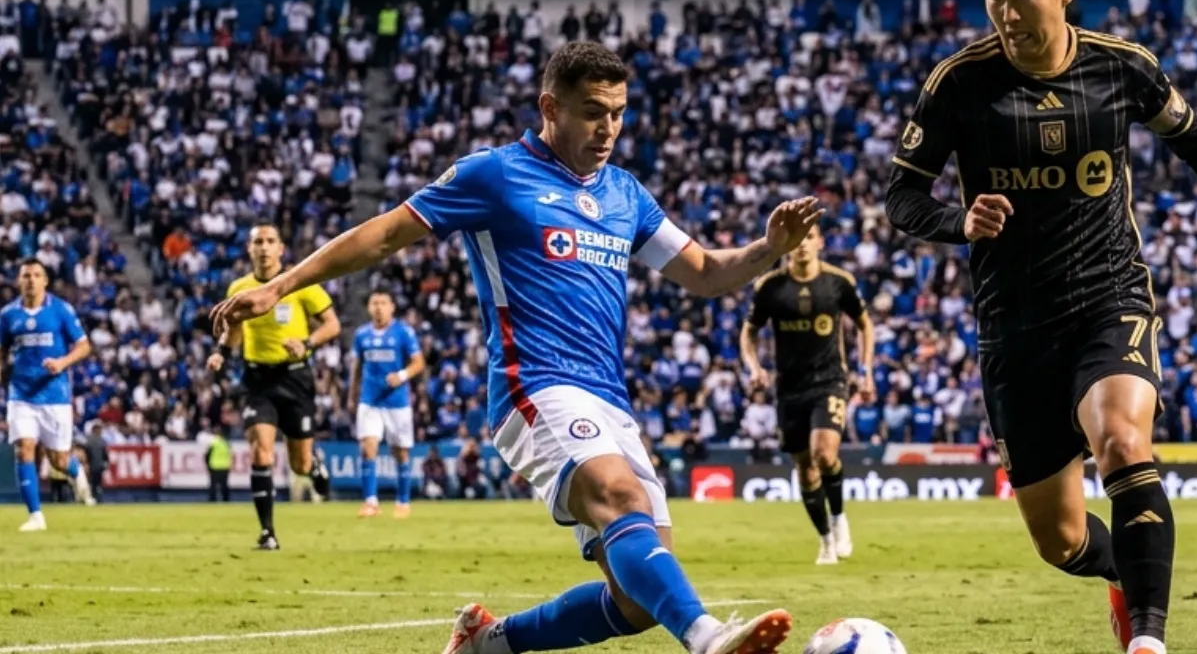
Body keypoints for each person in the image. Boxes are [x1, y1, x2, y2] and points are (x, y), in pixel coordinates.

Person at [213, 41, 816, 654]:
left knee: (637, 600)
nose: (608, 128)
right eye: (592, 111)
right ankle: (708, 638)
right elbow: (385, 234)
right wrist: (281, 285)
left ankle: (488, 642)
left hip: (609, 398)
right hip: (535, 386)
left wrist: (768, 248)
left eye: (618, 113)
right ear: (550, 107)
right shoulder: (495, 174)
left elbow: (706, 272)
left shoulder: (625, 194)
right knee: (620, 497)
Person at [883, 0, 1197, 654]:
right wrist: (960, 221)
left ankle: (1147, 640)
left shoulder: (1122, 67)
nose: (1007, 13)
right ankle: (1126, 572)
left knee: (1121, 440)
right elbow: (902, 197)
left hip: (1108, 300)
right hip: (1013, 328)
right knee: (1059, 541)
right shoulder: (959, 82)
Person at [739, 226, 874, 565]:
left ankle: (839, 518)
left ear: (820, 242)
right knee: (804, 469)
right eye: (795, 239)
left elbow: (865, 325)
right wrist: (754, 367)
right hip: (789, 388)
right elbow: (749, 333)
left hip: (830, 381)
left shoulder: (838, 282)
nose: (802, 245)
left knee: (824, 454)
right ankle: (826, 540)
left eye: (809, 237)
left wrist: (866, 370)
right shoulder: (770, 287)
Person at [208, 224, 340, 550]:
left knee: (300, 465)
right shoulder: (240, 288)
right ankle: (267, 532)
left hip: (295, 377)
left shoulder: (301, 283)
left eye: (270, 242)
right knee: (260, 450)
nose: (264, 247)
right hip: (257, 380)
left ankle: (314, 465)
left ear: (281, 248)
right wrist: (222, 352)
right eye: (258, 242)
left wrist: (307, 344)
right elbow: (234, 331)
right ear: (249, 249)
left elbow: (332, 325)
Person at [1, 260, 94, 531]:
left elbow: (84, 346)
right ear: (18, 281)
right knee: (24, 448)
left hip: (55, 395)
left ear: (45, 281)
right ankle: (36, 516)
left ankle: (77, 473)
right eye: (26, 275)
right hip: (21, 394)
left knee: (58, 460)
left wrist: (62, 363)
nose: (31, 279)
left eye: (36, 275)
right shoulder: (7, 315)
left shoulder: (61, 310)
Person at [350, 291, 426, 518]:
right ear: (369, 307)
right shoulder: (361, 334)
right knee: (368, 448)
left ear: (392, 306)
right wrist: (352, 395)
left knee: (400, 452)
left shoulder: (403, 332)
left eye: (383, 303)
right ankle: (370, 502)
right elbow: (357, 367)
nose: (378, 307)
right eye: (374, 303)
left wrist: (401, 376)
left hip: (397, 401)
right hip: (369, 400)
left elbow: (419, 363)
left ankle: (403, 502)